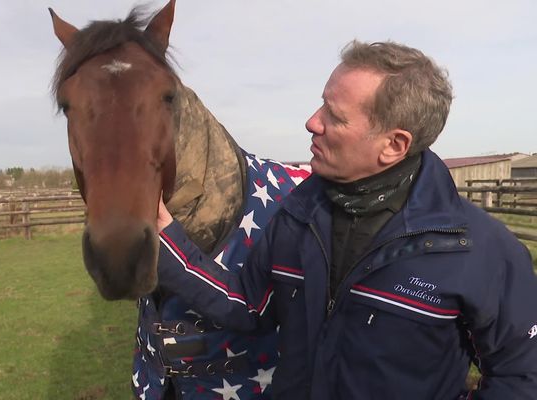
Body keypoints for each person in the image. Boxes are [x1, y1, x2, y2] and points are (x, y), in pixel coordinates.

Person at [155, 40, 537, 399]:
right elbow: (246, 306)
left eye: (334, 116)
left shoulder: (479, 250)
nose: (311, 122)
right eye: (321, 104)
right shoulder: (296, 216)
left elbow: (523, 374)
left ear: (393, 145)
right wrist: (163, 235)